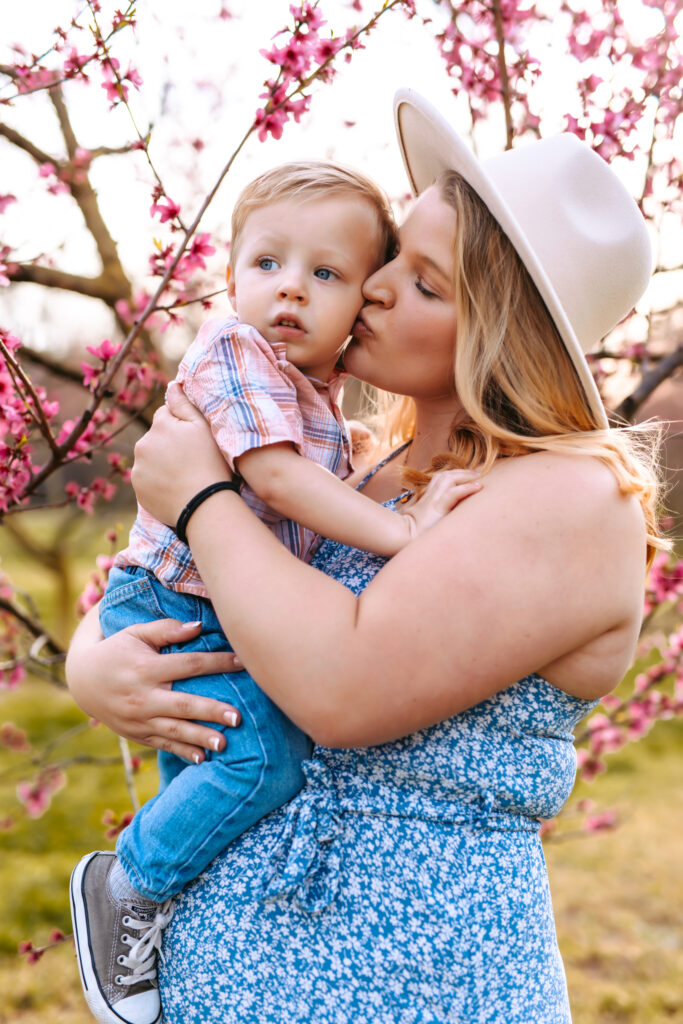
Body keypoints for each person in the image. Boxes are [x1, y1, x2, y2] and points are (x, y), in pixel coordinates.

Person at [66, 89, 666, 1023]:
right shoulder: (363, 474)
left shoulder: (569, 498)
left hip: (412, 989)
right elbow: (179, 580)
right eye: (389, 260)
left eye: (425, 283)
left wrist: (200, 497)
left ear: (504, 334)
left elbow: (341, 690)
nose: (375, 288)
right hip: (218, 980)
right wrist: (93, 667)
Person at [69, 160, 480, 1024]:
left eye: (327, 275)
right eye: (267, 264)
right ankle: (127, 883)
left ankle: (161, 914)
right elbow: (279, 483)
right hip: (178, 604)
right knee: (258, 759)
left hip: (201, 607)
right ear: (229, 276)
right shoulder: (238, 352)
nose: (290, 290)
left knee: (209, 763)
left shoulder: (318, 400)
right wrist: (405, 533)